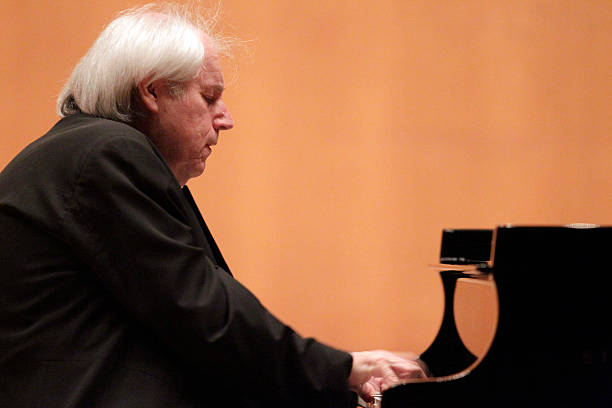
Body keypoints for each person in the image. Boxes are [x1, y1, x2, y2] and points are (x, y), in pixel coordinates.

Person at [0, 4, 425, 407]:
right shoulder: (107, 153)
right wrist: (343, 370)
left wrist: (334, 379)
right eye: (209, 97)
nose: (226, 119)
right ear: (152, 91)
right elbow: (204, 313)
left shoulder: (83, 153)